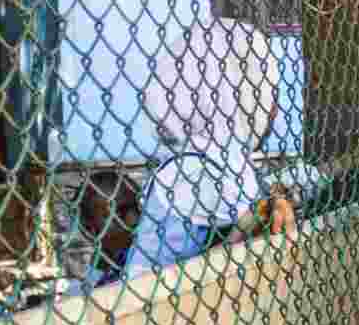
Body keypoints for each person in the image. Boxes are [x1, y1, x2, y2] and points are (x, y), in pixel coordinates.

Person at [126, 17, 295, 276]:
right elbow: (248, 221)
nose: (274, 109)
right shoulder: (192, 171)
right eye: (265, 90)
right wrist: (266, 208)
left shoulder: (219, 159)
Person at [78, 170, 141, 287]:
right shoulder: (88, 285)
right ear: (89, 228)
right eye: (119, 212)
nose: (135, 220)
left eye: (138, 207)